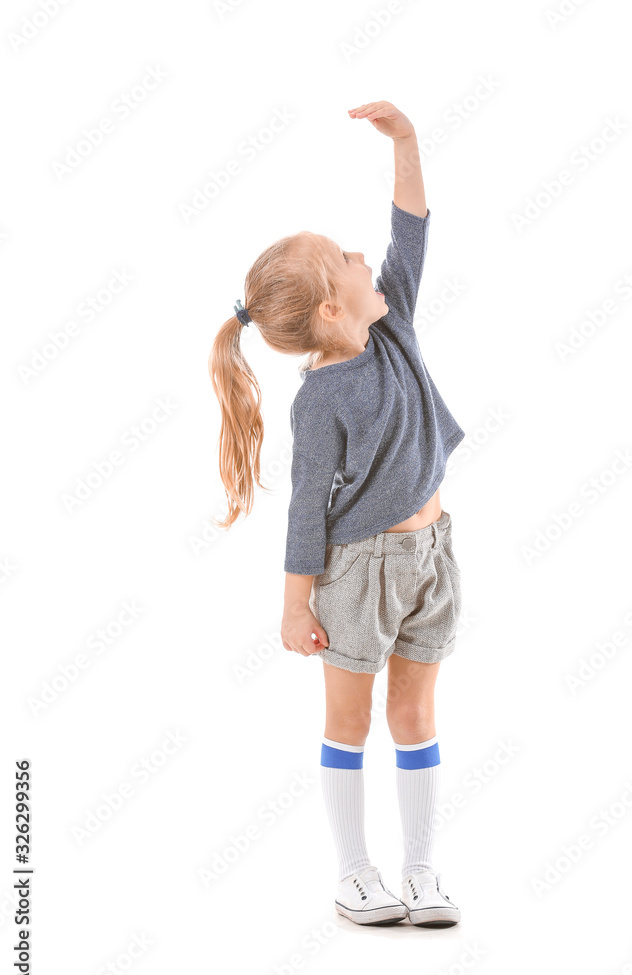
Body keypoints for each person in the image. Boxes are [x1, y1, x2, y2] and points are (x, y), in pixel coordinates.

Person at [208, 102, 465, 928]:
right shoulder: (320, 400)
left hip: (431, 553)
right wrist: (293, 603)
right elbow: (307, 511)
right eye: (345, 258)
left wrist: (406, 142)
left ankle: (420, 871)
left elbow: (411, 227)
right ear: (328, 309)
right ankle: (356, 875)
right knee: (350, 721)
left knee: (416, 714)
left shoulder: (395, 325)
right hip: (357, 574)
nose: (365, 256)